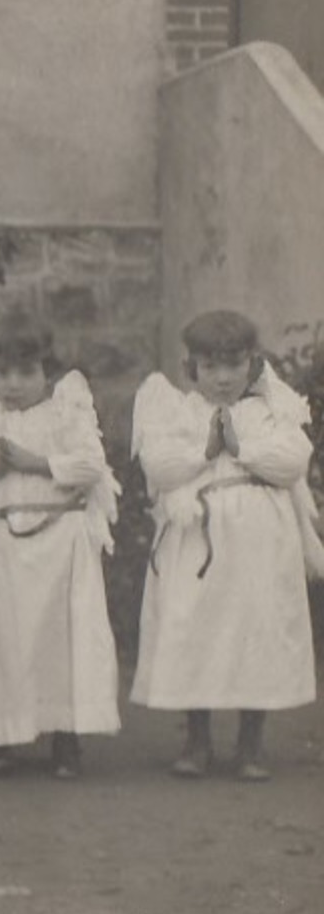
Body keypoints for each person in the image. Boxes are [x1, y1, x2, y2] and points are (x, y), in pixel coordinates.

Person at [131, 310, 321, 781]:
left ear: (251, 365)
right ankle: (197, 740)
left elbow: (293, 461)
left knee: (254, 629)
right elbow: (159, 466)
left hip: (259, 539)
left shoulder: (268, 411)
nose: (221, 378)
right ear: (191, 366)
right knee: (195, 625)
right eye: (210, 366)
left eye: (233, 366)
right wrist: (205, 452)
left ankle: (250, 744)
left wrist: (241, 449)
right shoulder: (178, 413)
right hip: (198, 537)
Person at [0, 312, 120, 778]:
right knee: (3, 640)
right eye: (2, 373)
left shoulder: (65, 413)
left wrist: (35, 463)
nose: (12, 385)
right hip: (2, 544)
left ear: (45, 373)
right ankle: (1, 737)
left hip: (58, 542)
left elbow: (90, 465)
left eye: (25, 373)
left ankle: (65, 738)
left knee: (60, 640)